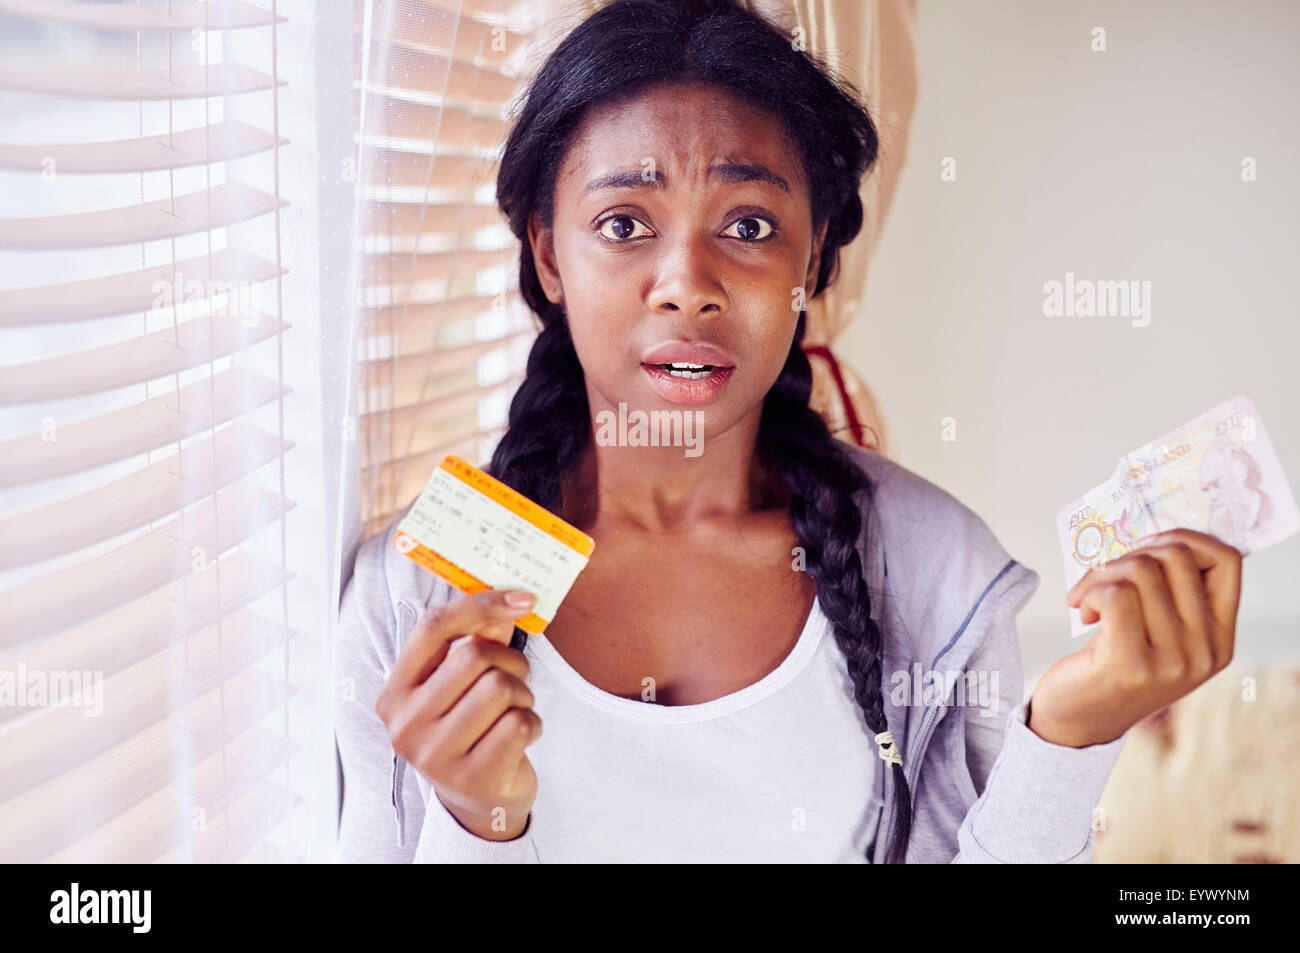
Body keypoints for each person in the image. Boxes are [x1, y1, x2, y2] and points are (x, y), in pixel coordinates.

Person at [334, 0, 1243, 863]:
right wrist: (476, 819)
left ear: (811, 261)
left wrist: (1075, 733)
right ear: (547, 254)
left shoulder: (940, 577)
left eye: (749, 224)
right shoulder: (411, 595)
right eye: (623, 224)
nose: (687, 282)